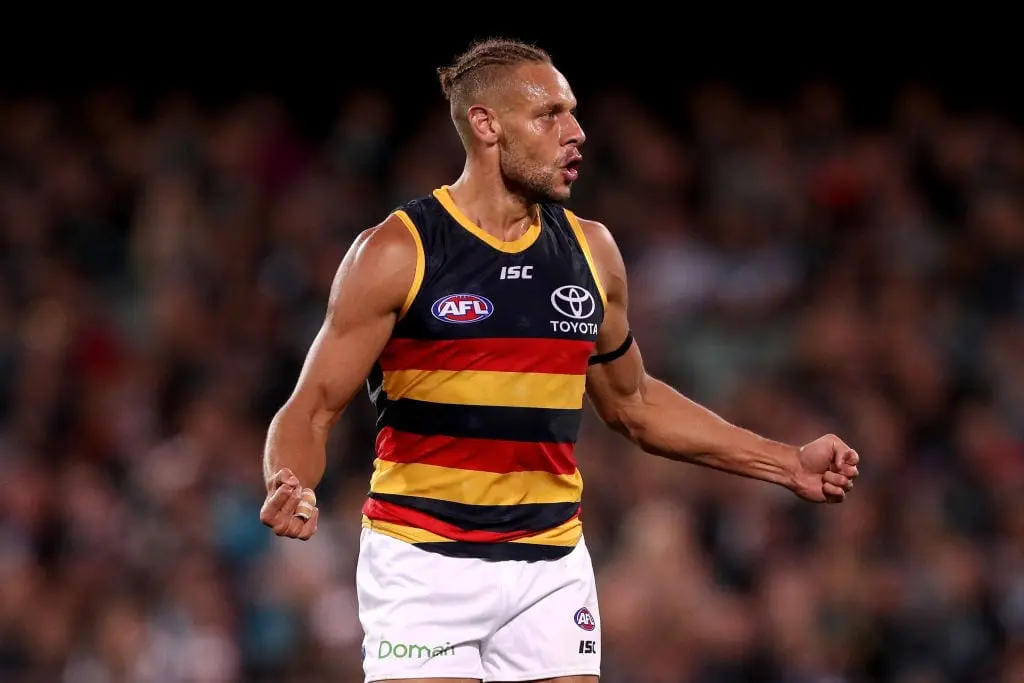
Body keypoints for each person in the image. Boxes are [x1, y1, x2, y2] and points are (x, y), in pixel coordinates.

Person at [259, 37, 861, 683]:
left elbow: (634, 403)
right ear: (486, 125)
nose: (576, 133)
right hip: (423, 561)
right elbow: (311, 408)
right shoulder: (398, 251)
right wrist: (290, 482)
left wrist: (785, 462)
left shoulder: (591, 252)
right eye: (549, 115)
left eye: (572, 113)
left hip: (550, 565)